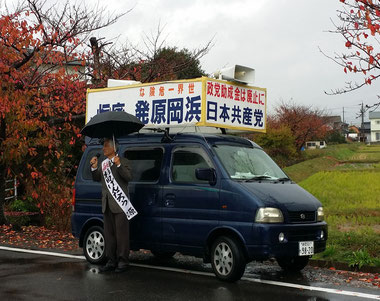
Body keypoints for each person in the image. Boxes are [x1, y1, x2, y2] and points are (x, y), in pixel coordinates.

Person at [90, 138, 132, 273]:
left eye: (106, 146)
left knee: (122, 235)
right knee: (109, 235)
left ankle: (123, 261)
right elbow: (97, 178)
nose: (103, 149)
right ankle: (111, 260)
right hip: (107, 204)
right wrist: (94, 167)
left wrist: (119, 165)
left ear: (114, 148)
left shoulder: (124, 161)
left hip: (120, 204)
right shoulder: (104, 164)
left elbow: (128, 177)